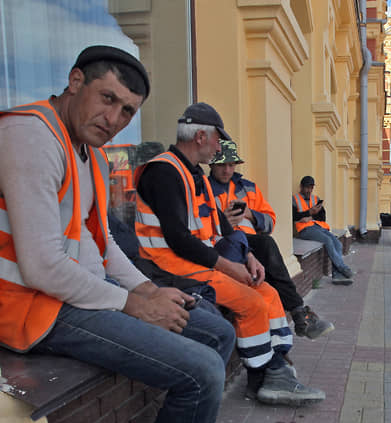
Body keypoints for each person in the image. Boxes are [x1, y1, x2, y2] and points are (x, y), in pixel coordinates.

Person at [0, 46, 243, 423]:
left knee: (215, 333)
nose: (114, 118)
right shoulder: (28, 137)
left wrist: (147, 290)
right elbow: (39, 266)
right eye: (107, 99)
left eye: (127, 111)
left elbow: (102, 246)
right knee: (203, 368)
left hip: (78, 292)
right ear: (75, 81)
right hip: (35, 311)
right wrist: (134, 305)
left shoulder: (88, 153)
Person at [134, 103, 326, 406]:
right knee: (251, 302)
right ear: (201, 136)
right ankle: (267, 377)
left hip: (198, 263)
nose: (219, 150)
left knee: (269, 294)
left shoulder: (194, 174)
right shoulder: (164, 171)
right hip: (172, 270)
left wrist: (248, 256)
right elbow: (178, 239)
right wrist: (229, 267)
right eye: (217, 141)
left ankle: (274, 372)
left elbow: (224, 228)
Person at [208, 140, 334, 340]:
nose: (227, 170)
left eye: (231, 164)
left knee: (268, 259)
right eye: (222, 165)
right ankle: (299, 313)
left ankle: (297, 317)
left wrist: (250, 214)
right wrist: (223, 222)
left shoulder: (248, 187)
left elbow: (270, 222)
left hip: (251, 246)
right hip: (225, 246)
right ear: (212, 165)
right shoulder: (205, 190)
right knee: (268, 250)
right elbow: (200, 227)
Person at [293, 176, 354, 285]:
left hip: (318, 227)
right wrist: (308, 213)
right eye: (307, 188)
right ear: (301, 187)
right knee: (328, 241)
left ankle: (337, 275)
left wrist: (310, 217)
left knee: (338, 244)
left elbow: (322, 217)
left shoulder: (316, 199)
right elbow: (294, 216)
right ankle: (342, 268)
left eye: (311, 188)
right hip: (305, 229)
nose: (309, 190)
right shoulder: (294, 199)